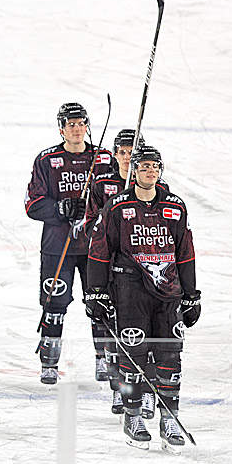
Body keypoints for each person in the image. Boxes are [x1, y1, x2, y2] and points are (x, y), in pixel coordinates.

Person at [85, 144, 199, 453]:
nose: (150, 171)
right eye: (144, 166)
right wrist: (95, 291)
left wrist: (191, 295)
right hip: (130, 291)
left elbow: (185, 253)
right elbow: (99, 252)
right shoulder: (118, 207)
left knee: (170, 357)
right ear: (133, 170)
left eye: (155, 166)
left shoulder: (175, 207)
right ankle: (133, 416)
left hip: (168, 294)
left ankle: (169, 418)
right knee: (133, 356)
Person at [24, 102, 114, 384]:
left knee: (101, 302)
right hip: (57, 247)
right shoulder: (47, 160)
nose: (76, 129)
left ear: (88, 126)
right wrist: (59, 209)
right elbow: (32, 204)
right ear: (61, 128)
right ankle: (48, 364)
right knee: (54, 304)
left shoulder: (104, 158)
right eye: (70, 124)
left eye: (81, 123)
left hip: (95, 248)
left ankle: (104, 358)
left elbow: (119, 197)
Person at [84, 129, 169, 414]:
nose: (127, 157)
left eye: (134, 153)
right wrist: (113, 215)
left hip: (143, 275)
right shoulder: (102, 185)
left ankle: (146, 391)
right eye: (122, 152)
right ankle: (120, 390)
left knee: (144, 336)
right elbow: (89, 228)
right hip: (110, 269)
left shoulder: (159, 189)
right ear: (115, 154)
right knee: (114, 333)